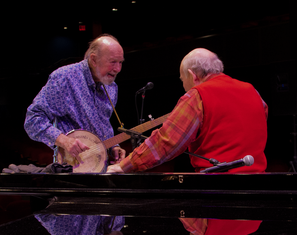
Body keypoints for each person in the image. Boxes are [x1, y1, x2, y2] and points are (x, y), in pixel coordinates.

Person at [107, 48, 268, 174]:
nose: (184, 86)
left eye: (182, 80)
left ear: (192, 75)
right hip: (258, 187)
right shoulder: (252, 91)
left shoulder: (197, 95)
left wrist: (125, 165)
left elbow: (166, 141)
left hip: (217, 192)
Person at [24, 34, 126, 167]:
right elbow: (32, 120)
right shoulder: (64, 78)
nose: (117, 69)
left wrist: (113, 147)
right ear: (94, 60)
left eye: (120, 62)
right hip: (71, 168)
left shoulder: (111, 87)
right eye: (113, 62)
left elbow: (103, 125)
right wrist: (64, 141)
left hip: (100, 168)